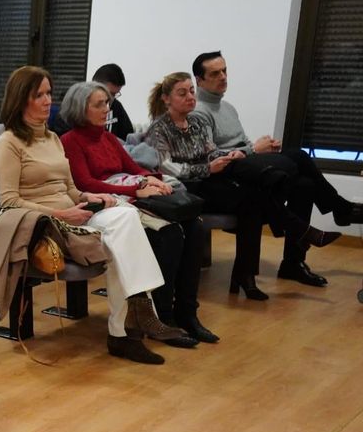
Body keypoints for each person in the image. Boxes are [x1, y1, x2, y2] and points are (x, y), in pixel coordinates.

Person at [0, 66, 186, 365]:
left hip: (73, 213)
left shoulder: (51, 139)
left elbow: (70, 187)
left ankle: (130, 325)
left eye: (49, 93)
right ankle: (130, 326)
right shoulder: (9, 144)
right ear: (21, 100)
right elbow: (9, 202)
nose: (48, 101)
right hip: (43, 224)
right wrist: (61, 213)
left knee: (125, 215)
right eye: (39, 95)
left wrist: (89, 198)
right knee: (123, 229)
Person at [144, 71, 338, 301]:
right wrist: (208, 168)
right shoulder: (159, 128)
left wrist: (229, 154)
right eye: (182, 93)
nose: (190, 97)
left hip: (212, 177)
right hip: (188, 187)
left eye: (191, 91)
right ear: (166, 98)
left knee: (253, 199)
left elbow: (210, 150)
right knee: (254, 194)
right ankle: (296, 234)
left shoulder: (195, 122)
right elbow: (167, 168)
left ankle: (247, 275)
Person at [59, 81, 213, 345]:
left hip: (130, 196)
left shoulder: (107, 137)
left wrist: (152, 180)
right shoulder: (70, 141)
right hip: (109, 204)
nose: (106, 109)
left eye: (107, 103)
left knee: (195, 227)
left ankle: (187, 313)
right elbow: (85, 183)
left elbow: (134, 167)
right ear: (80, 109)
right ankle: (162, 316)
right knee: (170, 234)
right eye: (99, 104)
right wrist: (136, 187)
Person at [190, 50, 362, 286]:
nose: (223, 76)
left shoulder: (228, 107)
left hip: (248, 167)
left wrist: (262, 147)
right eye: (215, 73)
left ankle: (293, 263)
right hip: (231, 177)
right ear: (199, 80)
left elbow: (243, 144)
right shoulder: (199, 112)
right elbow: (212, 156)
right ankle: (340, 208)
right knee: (298, 156)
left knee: (305, 185)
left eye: (225, 70)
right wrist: (255, 151)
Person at [91, 63, 136, 140]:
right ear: (94, 86)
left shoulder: (116, 106)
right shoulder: (78, 108)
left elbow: (128, 138)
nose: (111, 99)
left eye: (115, 94)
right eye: (109, 93)